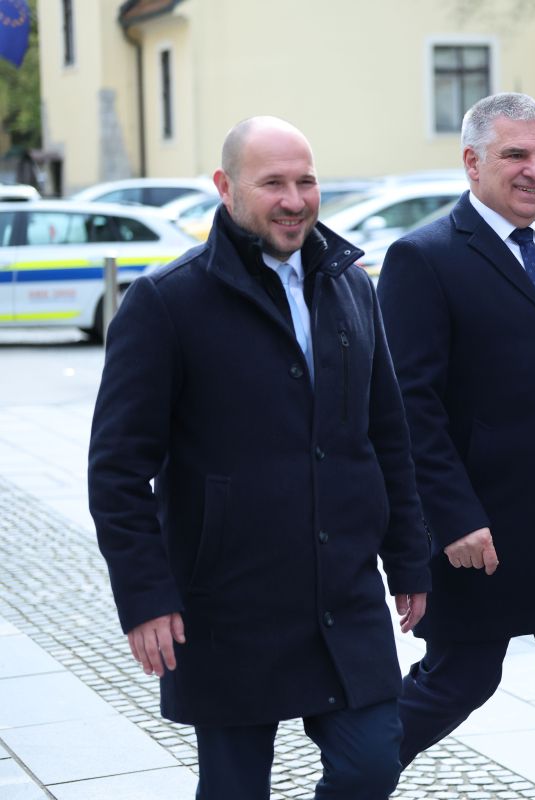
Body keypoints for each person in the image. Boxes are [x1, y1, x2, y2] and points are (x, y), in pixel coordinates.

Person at [87, 116, 432, 800]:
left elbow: (387, 434)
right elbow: (117, 468)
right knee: (235, 788)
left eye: (306, 182)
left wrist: (409, 558)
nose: (294, 200)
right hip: (227, 603)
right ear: (225, 187)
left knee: (371, 765)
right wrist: (146, 598)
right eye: (273, 183)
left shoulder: (352, 286)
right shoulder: (166, 301)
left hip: (343, 592)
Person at [376, 92, 535, 800]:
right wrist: (452, 518)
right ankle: (351, 779)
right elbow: (411, 408)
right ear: (472, 162)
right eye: (515, 154)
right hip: (483, 526)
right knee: (460, 680)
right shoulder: (422, 257)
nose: (534, 170)